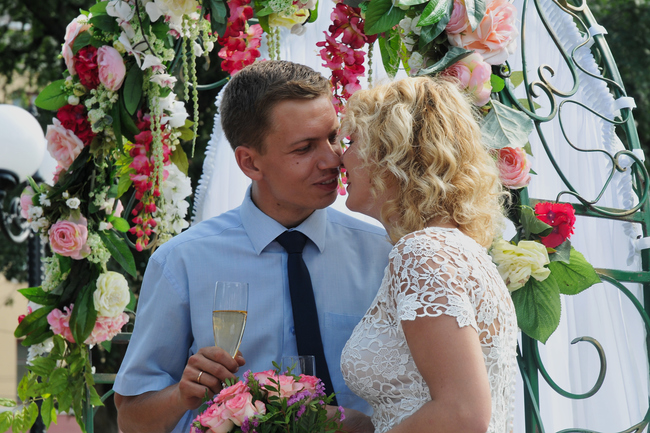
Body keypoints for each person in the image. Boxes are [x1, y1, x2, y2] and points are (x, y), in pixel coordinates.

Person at [113, 60, 392, 433]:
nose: (332, 159)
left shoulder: (383, 253)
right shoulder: (182, 262)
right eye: (305, 148)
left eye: (333, 137)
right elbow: (131, 418)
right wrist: (181, 395)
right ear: (249, 162)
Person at [339, 76, 518, 433]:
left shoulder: (422, 253)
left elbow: (462, 414)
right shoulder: (458, 250)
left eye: (352, 141)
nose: (341, 157)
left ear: (389, 152)